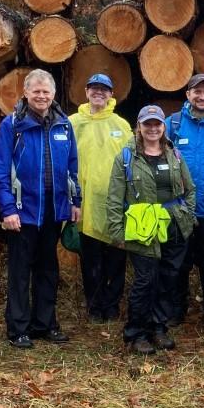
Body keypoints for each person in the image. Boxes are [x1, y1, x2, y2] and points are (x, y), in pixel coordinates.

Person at [0, 69, 80, 349]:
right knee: (20, 271)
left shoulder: (63, 125)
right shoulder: (12, 125)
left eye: (46, 91)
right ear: (26, 93)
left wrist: (75, 202)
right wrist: (7, 209)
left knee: (48, 269)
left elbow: (72, 167)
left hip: (54, 209)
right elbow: (0, 171)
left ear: (53, 94)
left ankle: (45, 324)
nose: (41, 96)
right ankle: (18, 328)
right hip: (22, 209)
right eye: (36, 91)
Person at [107, 105, 197, 355]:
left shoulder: (175, 155)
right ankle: (136, 332)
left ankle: (158, 328)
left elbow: (190, 190)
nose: (153, 128)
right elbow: (114, 198)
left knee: (168, 279)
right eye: (147, 124)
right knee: (145, 281)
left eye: (157, 124)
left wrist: (187, 214)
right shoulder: (126, 158)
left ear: (163, 127)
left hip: (174, 226)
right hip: (142, 228)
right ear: (139, 127)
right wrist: (117, 231)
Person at [69, 74, 132, 323]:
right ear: (86, 91)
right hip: (86, 205)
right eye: (94, 88)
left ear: (111, 94)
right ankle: (94, 305)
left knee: (116, 258)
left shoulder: (121, 125)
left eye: (104, 89)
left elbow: (131, 163)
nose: (99, 93)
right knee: (91, 259)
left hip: (116, 205)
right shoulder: (73, 123)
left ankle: (112, 304)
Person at [166, 74, 204, 326]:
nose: (202, 97)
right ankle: (176, 309)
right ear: (188, 95)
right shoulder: (173, 124)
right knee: (178, 262)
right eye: (196, 92)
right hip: (179, 208)